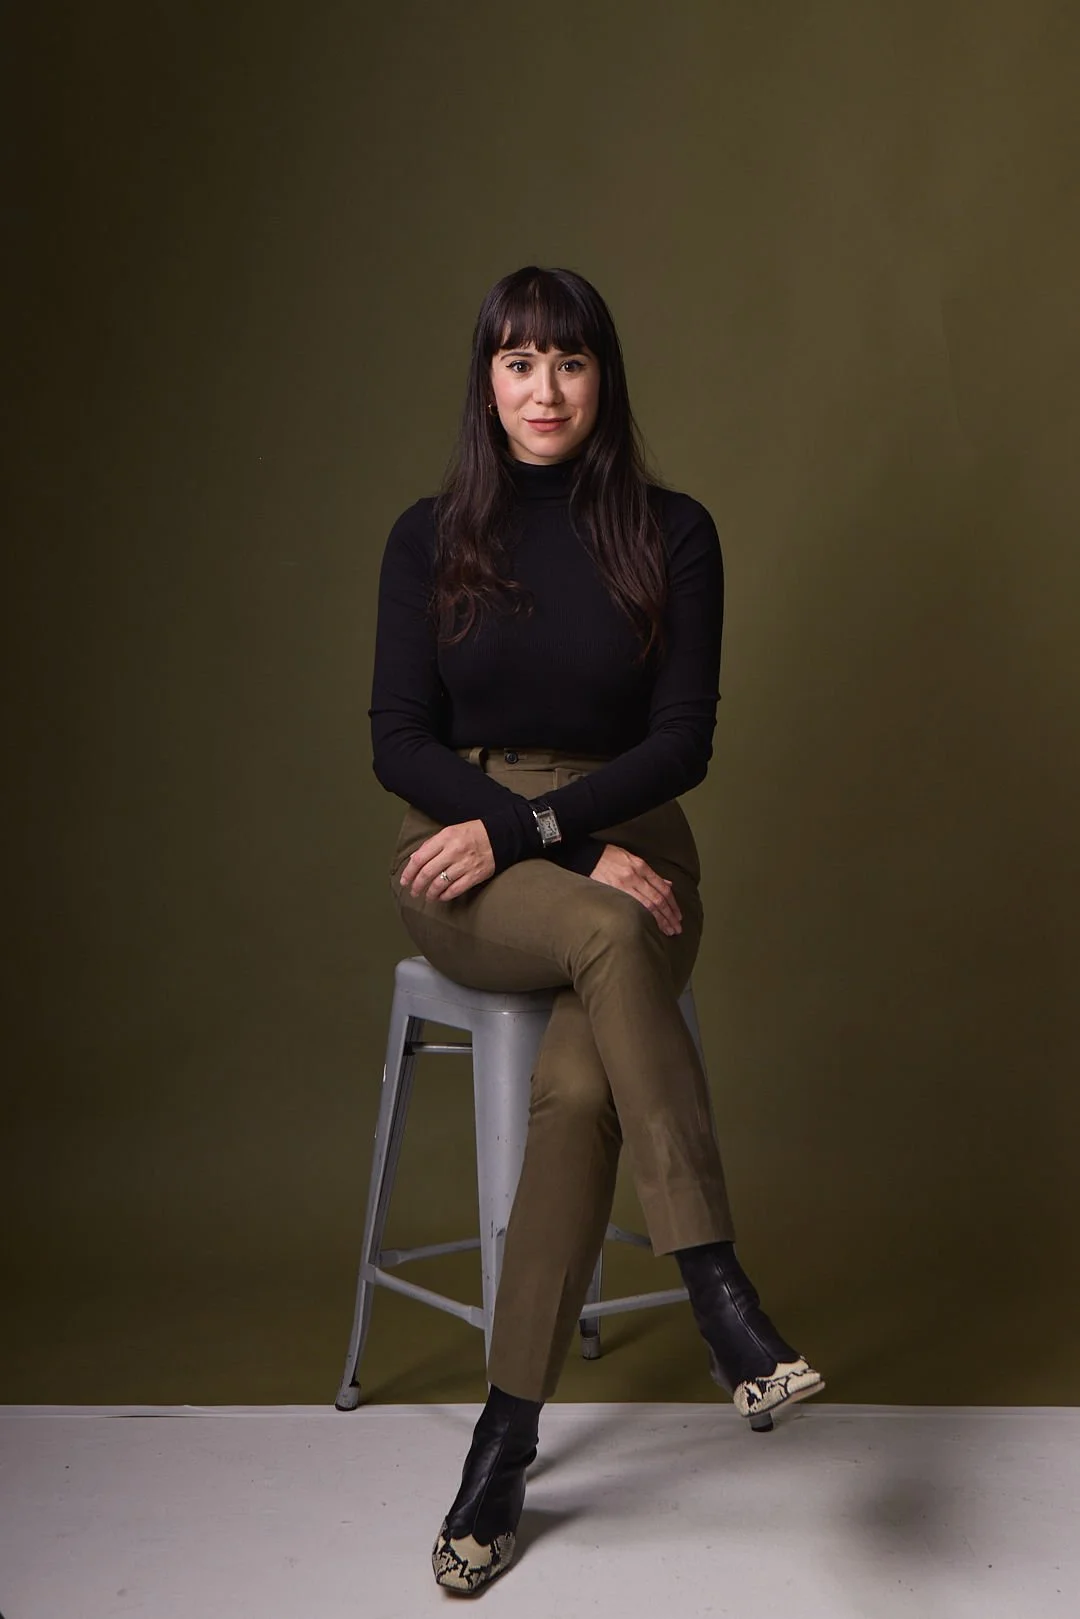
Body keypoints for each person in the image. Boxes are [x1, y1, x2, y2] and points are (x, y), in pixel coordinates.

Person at [368, 265, 824, 1594]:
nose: (545, 389)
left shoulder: (673, 533)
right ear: (486, 381)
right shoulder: (428, 534)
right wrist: (530, 832)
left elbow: (683, 740)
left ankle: (502, 1443)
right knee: (608, 936)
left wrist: (568, 826)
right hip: (467, 844)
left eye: (568, 362)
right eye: (518, 362)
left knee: (579, 1088)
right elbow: (401, 739)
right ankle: (721, 1293)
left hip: (640, 838)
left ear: (603, 377)